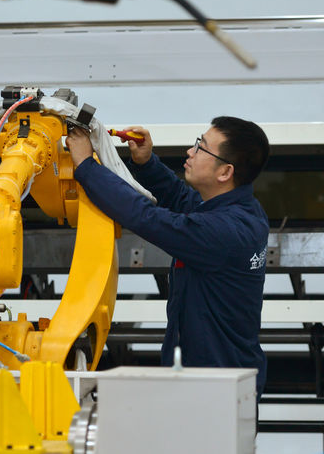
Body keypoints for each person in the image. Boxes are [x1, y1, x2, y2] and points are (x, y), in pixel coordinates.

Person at [65, 117, 270, 399]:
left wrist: (86, 166)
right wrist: (146, 162)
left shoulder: (225, 232)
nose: (190, 151)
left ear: (225, 172)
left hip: (215, 392)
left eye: (201, 147)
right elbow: (182, 201)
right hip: (209, 380)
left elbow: (146, 218)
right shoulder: (238, 209)